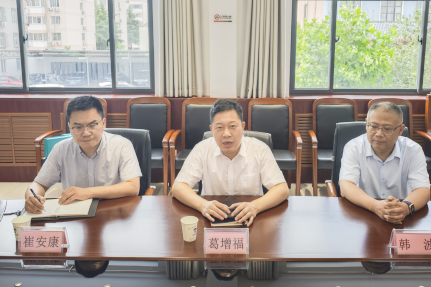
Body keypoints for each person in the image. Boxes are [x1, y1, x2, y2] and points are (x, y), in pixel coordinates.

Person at [171, 99, 289, 227]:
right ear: (212, 129)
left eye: (232, 126)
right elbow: (178, 187)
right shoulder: (202, 149)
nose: (226, 134)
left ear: (242, 127)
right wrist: (203, 205)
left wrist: (255, 206)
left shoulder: (259, 149)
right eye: (219, 127)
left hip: (251, 219)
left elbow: (282, 189)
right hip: (212, 219)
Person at [25, 96, 142, 214]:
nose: (86, 133)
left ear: (103, 123)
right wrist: (31, 197)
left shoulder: (122, 145)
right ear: (70, 128)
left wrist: (87, 192)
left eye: (92, 125)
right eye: (78, 127)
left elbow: (133, 187)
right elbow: (39, 184)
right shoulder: (60, 149)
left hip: (113, 211)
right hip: (74, 214)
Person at [339, 102, 430, 224]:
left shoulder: (413, 150)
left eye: (387, 129)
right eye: (373, 126)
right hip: (364, 213)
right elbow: (346, 186)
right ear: (366, 124)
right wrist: (375, 206)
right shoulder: (353, 147)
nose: (379, 134)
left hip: (402, 216)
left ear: (400, 130)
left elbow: (423, 189)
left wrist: (405, 208)